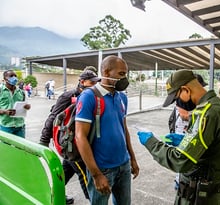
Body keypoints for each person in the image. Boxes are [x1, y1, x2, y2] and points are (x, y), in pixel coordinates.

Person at [137, 69, 220, 205]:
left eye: (176, 98)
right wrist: (185, 141)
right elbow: (215, 146)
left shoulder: (207, 113)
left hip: (197, 197)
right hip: (208, 191)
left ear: (186, 90)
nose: (177, 104)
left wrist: (151, 142)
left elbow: (180, 160)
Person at [75, 55, 139, 205]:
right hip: (102, 168)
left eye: (126, 74)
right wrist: (96, 174)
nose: (125, 79)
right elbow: (80, 137)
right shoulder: (89, 97)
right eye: (121, 74)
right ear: (106, 71)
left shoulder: (122, 98)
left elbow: (124, 129)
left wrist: (132, 158)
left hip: (123, 165)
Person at [39, 67, 101, 204]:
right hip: (72, 144)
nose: (95, 86)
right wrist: (44, 140)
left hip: (76, 144)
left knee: (66, 171)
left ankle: (51, 195)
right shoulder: (68, 96)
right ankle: (94, 200)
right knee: (84, 173)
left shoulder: (92, 96)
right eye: (92, 83)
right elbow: (53, 117)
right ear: (82, 82)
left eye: (96, 82)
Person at [168, 74, 207, 190]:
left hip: (187, 135)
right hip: (182, 131)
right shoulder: (185, 103)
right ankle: (179, 181)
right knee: (182, 158)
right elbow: (184, 115)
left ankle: (179, 181)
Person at [0, 70, 31, 138]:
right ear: (5, 79)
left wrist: (27, 106)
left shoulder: (21, 92)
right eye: (11, 76)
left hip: (20, 126)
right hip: (6, 126)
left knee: (20, 148)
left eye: (15, 76)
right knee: (7, 148)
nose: (14, 78)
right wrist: (5, 111)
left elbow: (25, 105)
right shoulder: (1, 91)